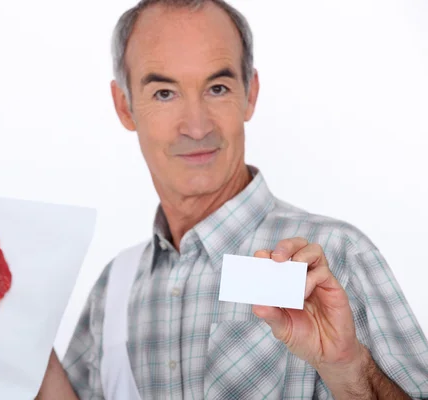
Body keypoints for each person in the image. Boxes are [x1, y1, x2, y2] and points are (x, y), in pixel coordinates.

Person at [37, 0, 428, 398]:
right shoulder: (114, 289)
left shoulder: (334, 260)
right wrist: (16, 328)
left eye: (217, 88)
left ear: (250, 94)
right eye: (165, 93)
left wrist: (347, 367)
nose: (196, 126)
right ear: (125, 106)